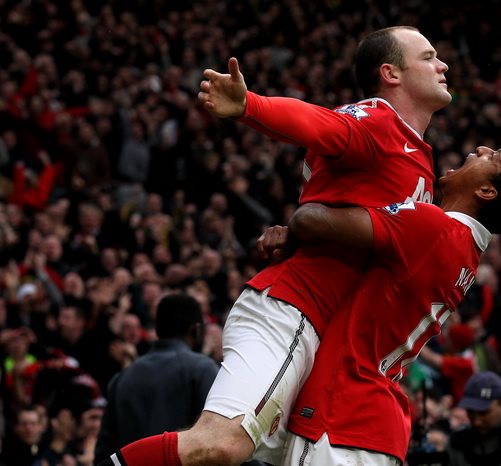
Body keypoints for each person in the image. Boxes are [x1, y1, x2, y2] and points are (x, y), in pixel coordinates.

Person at [99, 25, 451, 466]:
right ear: (390, 73)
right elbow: (320, 123)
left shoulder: (418, 157)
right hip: (295, 311)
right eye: (428, 57)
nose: (442, 65)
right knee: (220, 444)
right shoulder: (378, 119)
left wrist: (298, 231)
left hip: (325, 341)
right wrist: (250, 105)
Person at [276, 146, 501, 465]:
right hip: (372, 424)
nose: (481, 150)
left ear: (486, 191)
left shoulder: (433, 227)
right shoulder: (465, 251)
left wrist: (293, 232)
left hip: (340, 413)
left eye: (494, 157)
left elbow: (308, 220)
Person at [94, 294, 219, 464]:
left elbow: (104, 454)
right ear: (196, 330)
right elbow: (220, 439)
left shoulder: (121, 378)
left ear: (158, 329)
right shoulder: (202, 369)